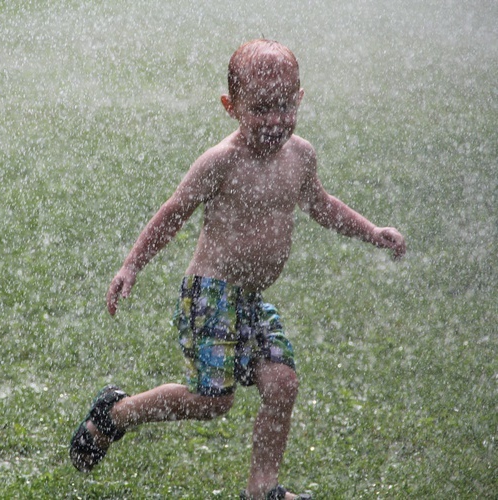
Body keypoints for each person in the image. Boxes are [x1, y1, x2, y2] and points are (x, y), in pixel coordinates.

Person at [69, 39, 406, 500]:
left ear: (300, 98)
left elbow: (322, 206)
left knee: (282, 383)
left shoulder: (301, 156)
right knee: (213, 401)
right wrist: (132, 266)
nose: (275, 120)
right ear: (232, 107)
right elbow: (173, 213)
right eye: (261, 108)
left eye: (285, 106)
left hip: (249, 300)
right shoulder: (222, 162)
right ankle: (117, 413)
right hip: (210, 295)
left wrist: (372, 231)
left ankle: (261, 489)